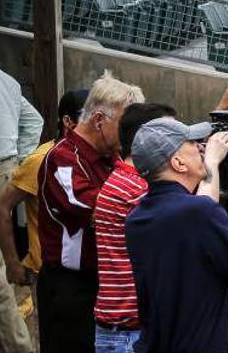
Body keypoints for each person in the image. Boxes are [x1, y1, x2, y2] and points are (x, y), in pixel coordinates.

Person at [124, 118, 228, 353]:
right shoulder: (197, 212)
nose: (202, 147)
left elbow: (216, 247)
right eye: (192, 143)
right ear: (178, 163)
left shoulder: (138, 218)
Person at [93, 103, 223, 353]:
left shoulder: (121, 179)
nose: (194, 146)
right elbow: (201, 213)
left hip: (122, 328)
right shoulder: (138, 189)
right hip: (129, 332)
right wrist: (211, 165)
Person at [36, 72, 144, 353]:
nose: (130, 134)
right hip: (72, 287)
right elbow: (105, 210)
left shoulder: (113, 156)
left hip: (108, 283)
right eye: (125, 125)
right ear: (99, 120)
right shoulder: (62, 159)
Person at [0, 89, 87, 349]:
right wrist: (12, 263)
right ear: (68, 122)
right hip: (44, 272)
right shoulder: (42, 159)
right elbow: (1, 208)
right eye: (88, 116)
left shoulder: (93, 157)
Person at [0, 26, 43, 353]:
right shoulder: (6, 79)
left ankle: (19, 347)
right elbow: (35, 121)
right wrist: (17, 162)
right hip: (4, 172)